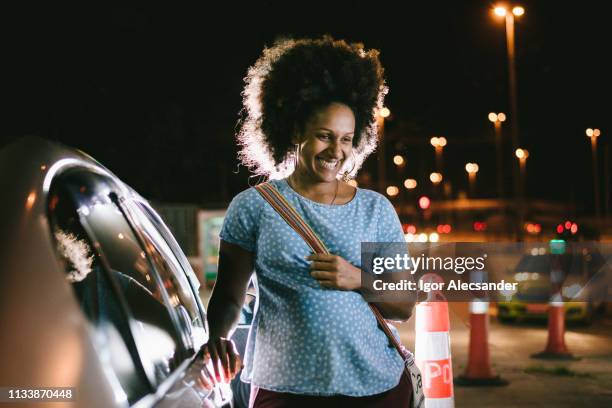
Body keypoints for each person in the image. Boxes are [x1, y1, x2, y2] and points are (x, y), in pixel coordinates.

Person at [203, 36, 415, 408]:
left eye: (347, 139)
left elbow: (403, 303)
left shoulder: (375, 209)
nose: (337, 150)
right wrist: (217, 337)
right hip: (285, 389)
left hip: (374, 387)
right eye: (324, 136)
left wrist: (356, 278)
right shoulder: (253, 206)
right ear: (295, 130)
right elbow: (229, 294)